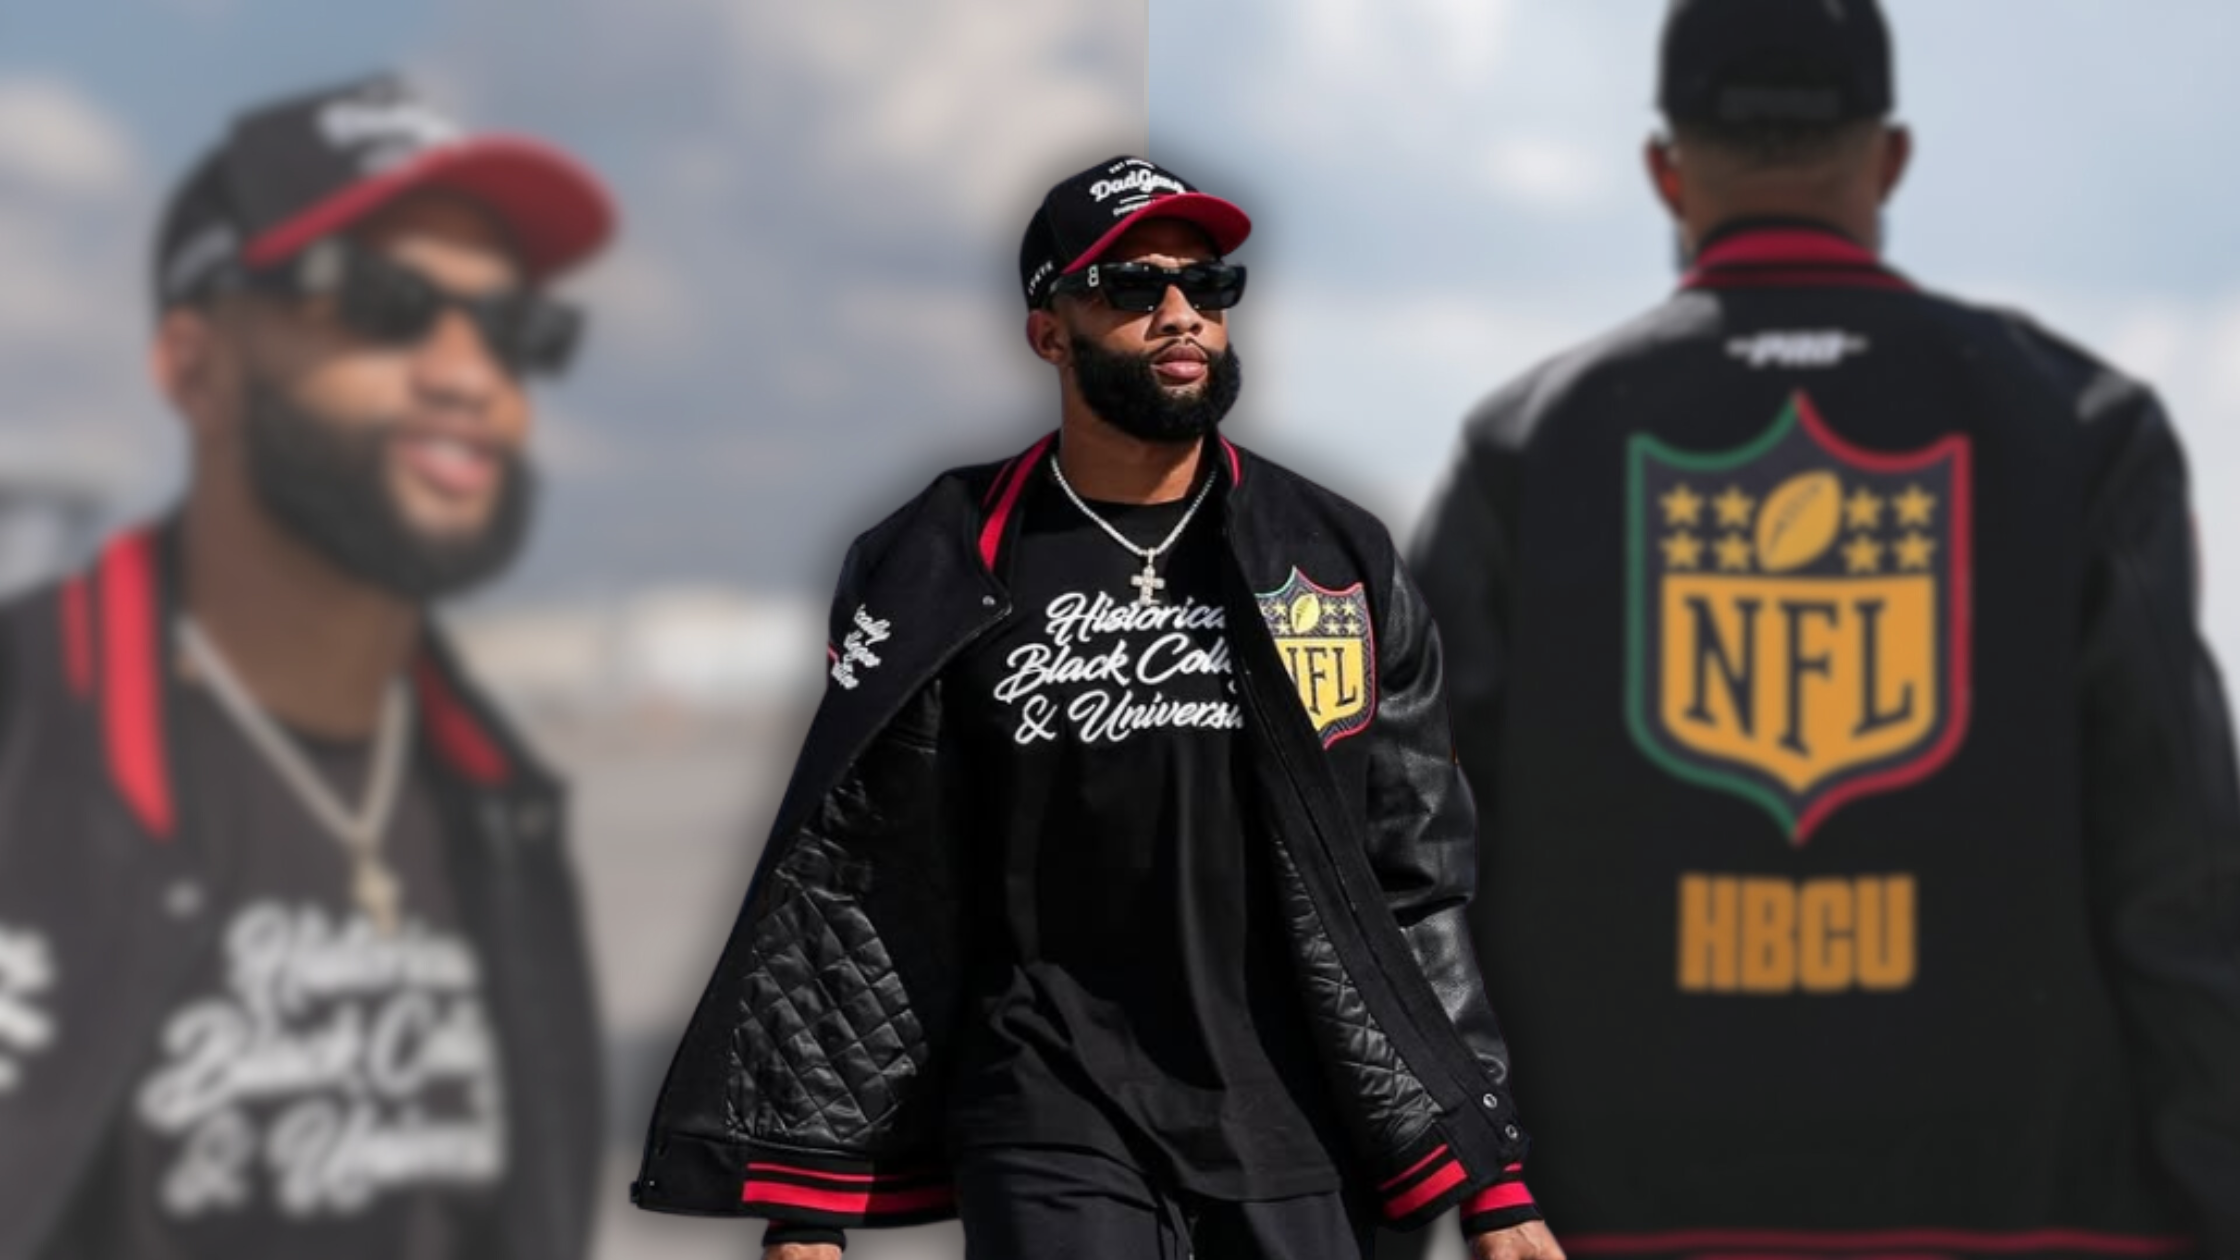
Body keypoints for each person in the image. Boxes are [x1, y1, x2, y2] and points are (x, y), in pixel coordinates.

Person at [1402, 1, 2240, 1258]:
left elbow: (1407, 866)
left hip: (1611, 1215)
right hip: (2028, 1209)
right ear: (1887, 157)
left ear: (1664, 170)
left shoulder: (1532, 443)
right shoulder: (2076, 424)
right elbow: (2176, 865)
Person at [633, 156, 1564, 1260]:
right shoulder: (930, 561)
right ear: (1048, 332)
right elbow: (862, 874)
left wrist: (1493, 1178)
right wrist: (808, 1206)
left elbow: (1413, 874)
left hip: (1298, 1107)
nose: (1179, 315)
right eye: (1129, 287)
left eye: (1206, 286)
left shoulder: (1329, 558)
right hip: (1044, 1091)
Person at [0, 76, 614, 1260]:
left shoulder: (499, 810)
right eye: (381, 302)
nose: (467, 373)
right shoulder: (23, 741)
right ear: (196, 365)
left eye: (515, 328)